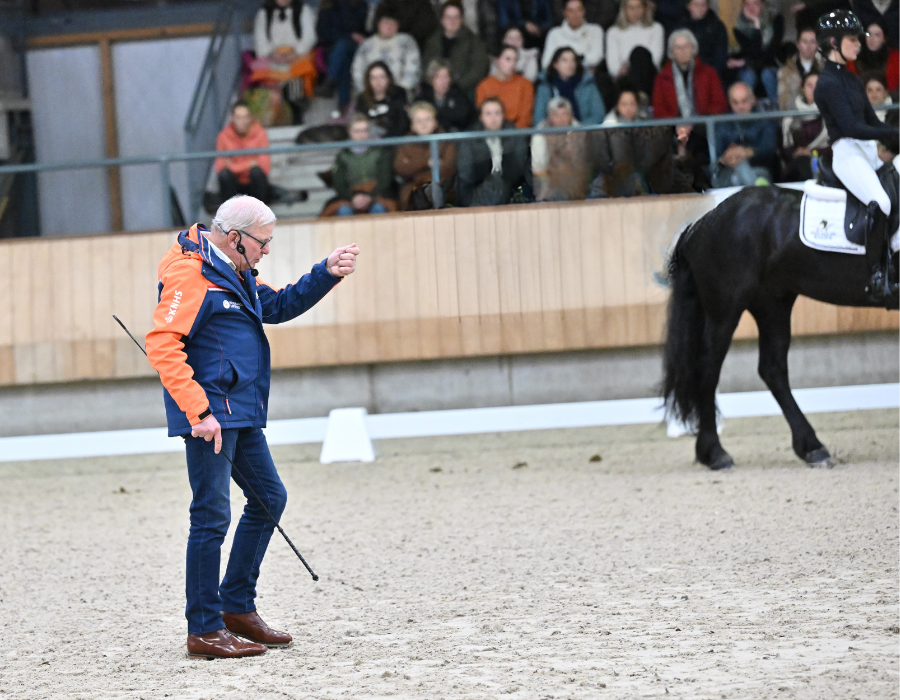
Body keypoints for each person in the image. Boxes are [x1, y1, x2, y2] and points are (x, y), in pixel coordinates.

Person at [145, 195, 359, 660]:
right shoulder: (190, 273)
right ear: (235, 238)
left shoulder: (236, 270)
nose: (267, 251)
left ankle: (236, 606)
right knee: (211, 516)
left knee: (270, 498)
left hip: (240, 409)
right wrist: (198, 413)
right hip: (210, 417)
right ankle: (203, 628)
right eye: (263, 243)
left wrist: (325, 272)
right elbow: (162, 345)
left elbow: (277, 307)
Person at [815, 10, 898, 299]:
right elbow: (850, 127)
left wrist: (894, 135)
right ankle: (875, 274)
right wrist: (889, 135)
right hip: (847, 152)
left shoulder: (852, 79)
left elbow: (872, 122)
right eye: (853, 39)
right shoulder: (826, 83)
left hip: (867, 149)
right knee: (882, 202)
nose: (859, 44)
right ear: (834, 43)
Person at [589, 86, 679, 196]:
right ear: (617, 106)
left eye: (632, 104)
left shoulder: (644, 121)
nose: (629, 108)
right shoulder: (609, 125)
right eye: (624, 104)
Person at [251, 0, 319, 124]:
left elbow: (310, 36)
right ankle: (273, 116)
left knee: (296, 79)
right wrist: (272, 54)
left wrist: (295, 52)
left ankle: (296, 113)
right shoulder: (264, 13)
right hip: (273, 55)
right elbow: (260, 39)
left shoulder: (303, 10)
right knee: (266, 78)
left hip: (297, 54)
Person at [457, 97, 532, 206]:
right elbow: (466, 174)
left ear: (503, 116)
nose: (493, 118)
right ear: (481, 117)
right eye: (488, 114)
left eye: (497, 113)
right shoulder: (469, 138)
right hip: (476, 188)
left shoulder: (515, 135)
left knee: (497, 186)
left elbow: (518, 169)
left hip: (509, 186)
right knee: (490, 188)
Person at [322, 114, 397, 216]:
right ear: (349, 131)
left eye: (364, 130)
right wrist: (353, 197)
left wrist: (370, 196)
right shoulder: (343, 156)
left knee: (379, 209)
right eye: (357, 131)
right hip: (351, 198)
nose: (361, 135)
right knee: (344, 211)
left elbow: (385, 179)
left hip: (377, 196)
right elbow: (339, 183)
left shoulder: (380, 152)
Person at [711, 81, 779, 187]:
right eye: (735, 102)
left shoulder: (764, 120)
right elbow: (715, 155)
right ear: (729, 102)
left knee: (741, 170)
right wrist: (727, 157)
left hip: (758, 169)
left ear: (752, 99)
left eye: (744, 101)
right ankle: (758, 190)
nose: (740, 106)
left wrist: (747, 152)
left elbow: (769, 149)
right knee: (739, 169)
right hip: (729, 173)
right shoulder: (722, 123)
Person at [393, 102, 457, 209]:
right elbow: (401, 168)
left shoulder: (446, 140)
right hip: (412, 187)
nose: (423, 124)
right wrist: (428, 163)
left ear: (435, 122)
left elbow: (449, 168)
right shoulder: (405, 142)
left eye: (427, 119)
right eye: (419, 121)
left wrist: (414, 167)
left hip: (441, 186)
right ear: (412, 125)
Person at [652, 29, 727, 118]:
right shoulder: (662, 77)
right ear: (672, 52)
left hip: (704, 125)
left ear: (693, 48)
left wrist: (704, 121)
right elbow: (658, 109)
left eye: (686, 46)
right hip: (673, 127)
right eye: (678, 47)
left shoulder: (709, 73)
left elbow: (719, 103)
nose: (682, 51)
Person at [422, 1, 490, 94]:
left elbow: (478, 69)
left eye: (456, 17)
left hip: (463, 90)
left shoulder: (473, 41)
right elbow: (425, 67)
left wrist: (457, 85)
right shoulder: (432, 41)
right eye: (448, 17)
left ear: (461, 20)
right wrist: (436, 83)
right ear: (442, 19)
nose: (452, 21)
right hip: (434, 89)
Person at [531, 97, 591, 201]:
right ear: (549, 117)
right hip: (549, 180)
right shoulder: (540, 133)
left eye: (565, 114)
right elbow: (539, 167)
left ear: (571, 115)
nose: (561, 119)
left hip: (575, 178)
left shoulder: (580, 131)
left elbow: (583, 162)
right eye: (556, 115)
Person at [315, 0, 368, 113]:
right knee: (344, 61)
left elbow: (363, 29)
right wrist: (349, 35)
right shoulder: (327, 5)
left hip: (354, 46)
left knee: (343, 48)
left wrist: (361, 37)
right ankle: (344, 107)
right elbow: (323, 33)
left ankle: (330, 82)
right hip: (332, 47)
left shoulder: (361, 4)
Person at [215, 102, 273, 204]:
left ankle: (260, 215)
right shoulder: (223, 136)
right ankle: (230, 217)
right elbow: (220, 167)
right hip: (234, 185)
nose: (243, 121)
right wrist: (250, 163)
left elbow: (265, 167)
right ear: (232, 118)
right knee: (224, 176)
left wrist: (232, 166)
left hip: (254, 184)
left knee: (257, 173)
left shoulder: (260, 134)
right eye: (238, 117)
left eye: (246, 117)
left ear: (251, 118)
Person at [351, 12, 421, 94]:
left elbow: (413, 69)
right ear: (378, 24)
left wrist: (401, 91)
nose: (388, 26)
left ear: (397, 26)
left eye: (392, 23)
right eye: (385, 23)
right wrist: (365, 91)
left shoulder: (407, 41)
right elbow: (357, 70)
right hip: (370, 92)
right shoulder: (367, 44)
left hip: (400, 92)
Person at [728, 0, 783, 101]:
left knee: (767, 74)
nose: (751, 8)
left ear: (763, 4)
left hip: (770, 63)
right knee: (748, 75)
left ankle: (775, 111)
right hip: (751, 65)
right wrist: (756, 27)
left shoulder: (775, 19)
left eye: (756, 4)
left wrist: (745, 61)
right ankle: (744, 112)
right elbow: (753, 52)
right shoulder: (740, 27)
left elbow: (771, 52)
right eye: (747, 4)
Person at [534, 47, 606, 124]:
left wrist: (579, 129)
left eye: (573, 60)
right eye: (565, 60)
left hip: (583, 131)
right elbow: (539, 118)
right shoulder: (545, 86)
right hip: (552, 132)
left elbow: (598, 115)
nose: (570, 64)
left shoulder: (588, 84)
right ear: (555, 65)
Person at [781, 72, 830, 181]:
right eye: (809, 85)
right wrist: (795, 153)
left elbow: (836, 143)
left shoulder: (832, 111)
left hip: (826, 162)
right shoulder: (792, 113)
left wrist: (812, 152)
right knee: (801, 163)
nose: (814, 89)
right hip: (796, 163)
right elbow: (784, 145)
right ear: (803, 89)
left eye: (818, 85)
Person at [476, 46, 536, 128]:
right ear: (497, 60)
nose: (512, 64)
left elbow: (525, 117)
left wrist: (512, 134)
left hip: (517, 132)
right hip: (491, 130)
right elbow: (482, 116)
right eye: (508, 59)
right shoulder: (484, 86)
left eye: (515, 60)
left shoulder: (525, 85)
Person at [604, 0, 664, 79]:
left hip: (649, 76)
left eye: (638, 7)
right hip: (624, 78)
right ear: (624, 9)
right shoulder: (613, 32)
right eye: (631, 8)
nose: (635, 12)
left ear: (644, 8)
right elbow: (613, 66)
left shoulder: (656, 28)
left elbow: (656, 59)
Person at [352, 61, 411, 137]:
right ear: (368, 81)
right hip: (370, 142)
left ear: (388, 79)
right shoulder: (362, 99)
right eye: (373, 78)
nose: (378, 81)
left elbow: (402, 123)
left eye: (382, 77)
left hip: (396, 140)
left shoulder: (399, 93)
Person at [542, 0, 605, 70]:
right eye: (571, 11)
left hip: (586, 76)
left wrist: (564, 62)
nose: (575, 14)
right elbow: (546, 63)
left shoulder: (595, 30)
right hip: (560, 77)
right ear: (564, 13)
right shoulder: (554, 33)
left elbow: (596, 58)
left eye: (579, 10)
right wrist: (581, 59)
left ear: (584, 11)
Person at [675, 0, 728, 79]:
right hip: (685, 72)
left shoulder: (717, 26)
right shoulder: (681, 26)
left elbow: (720, 57)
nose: (700, 8)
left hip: (709, 74)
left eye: (703, 5)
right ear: (688, 6)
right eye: (696, 5)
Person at [419, 59, 476, 131]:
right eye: (439, 77)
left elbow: (465, 118)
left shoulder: (459, 95)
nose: (443, 81)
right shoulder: (423, 98)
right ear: (431, 79)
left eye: (446, 76)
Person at [777, 27, 825, 111]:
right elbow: (783, 102)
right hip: (795, 118)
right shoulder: (785, 71)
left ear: (817, 45)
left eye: (812, 42)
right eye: (805, 42)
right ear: (798, 44)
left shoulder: (825, 69)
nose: (808, 46)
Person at [849, 21, 899, 91]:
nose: (872, 39)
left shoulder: (895, 58)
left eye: (877, 35)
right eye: (869, 34)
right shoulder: (853, 58)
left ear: (884, 38)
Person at [373, 0, 440, 50]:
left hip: (415, 47)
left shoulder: (424, 4)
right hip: (385, 44)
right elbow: (378, 24)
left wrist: (405, 37)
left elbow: (427, 26)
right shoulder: (386, 3)